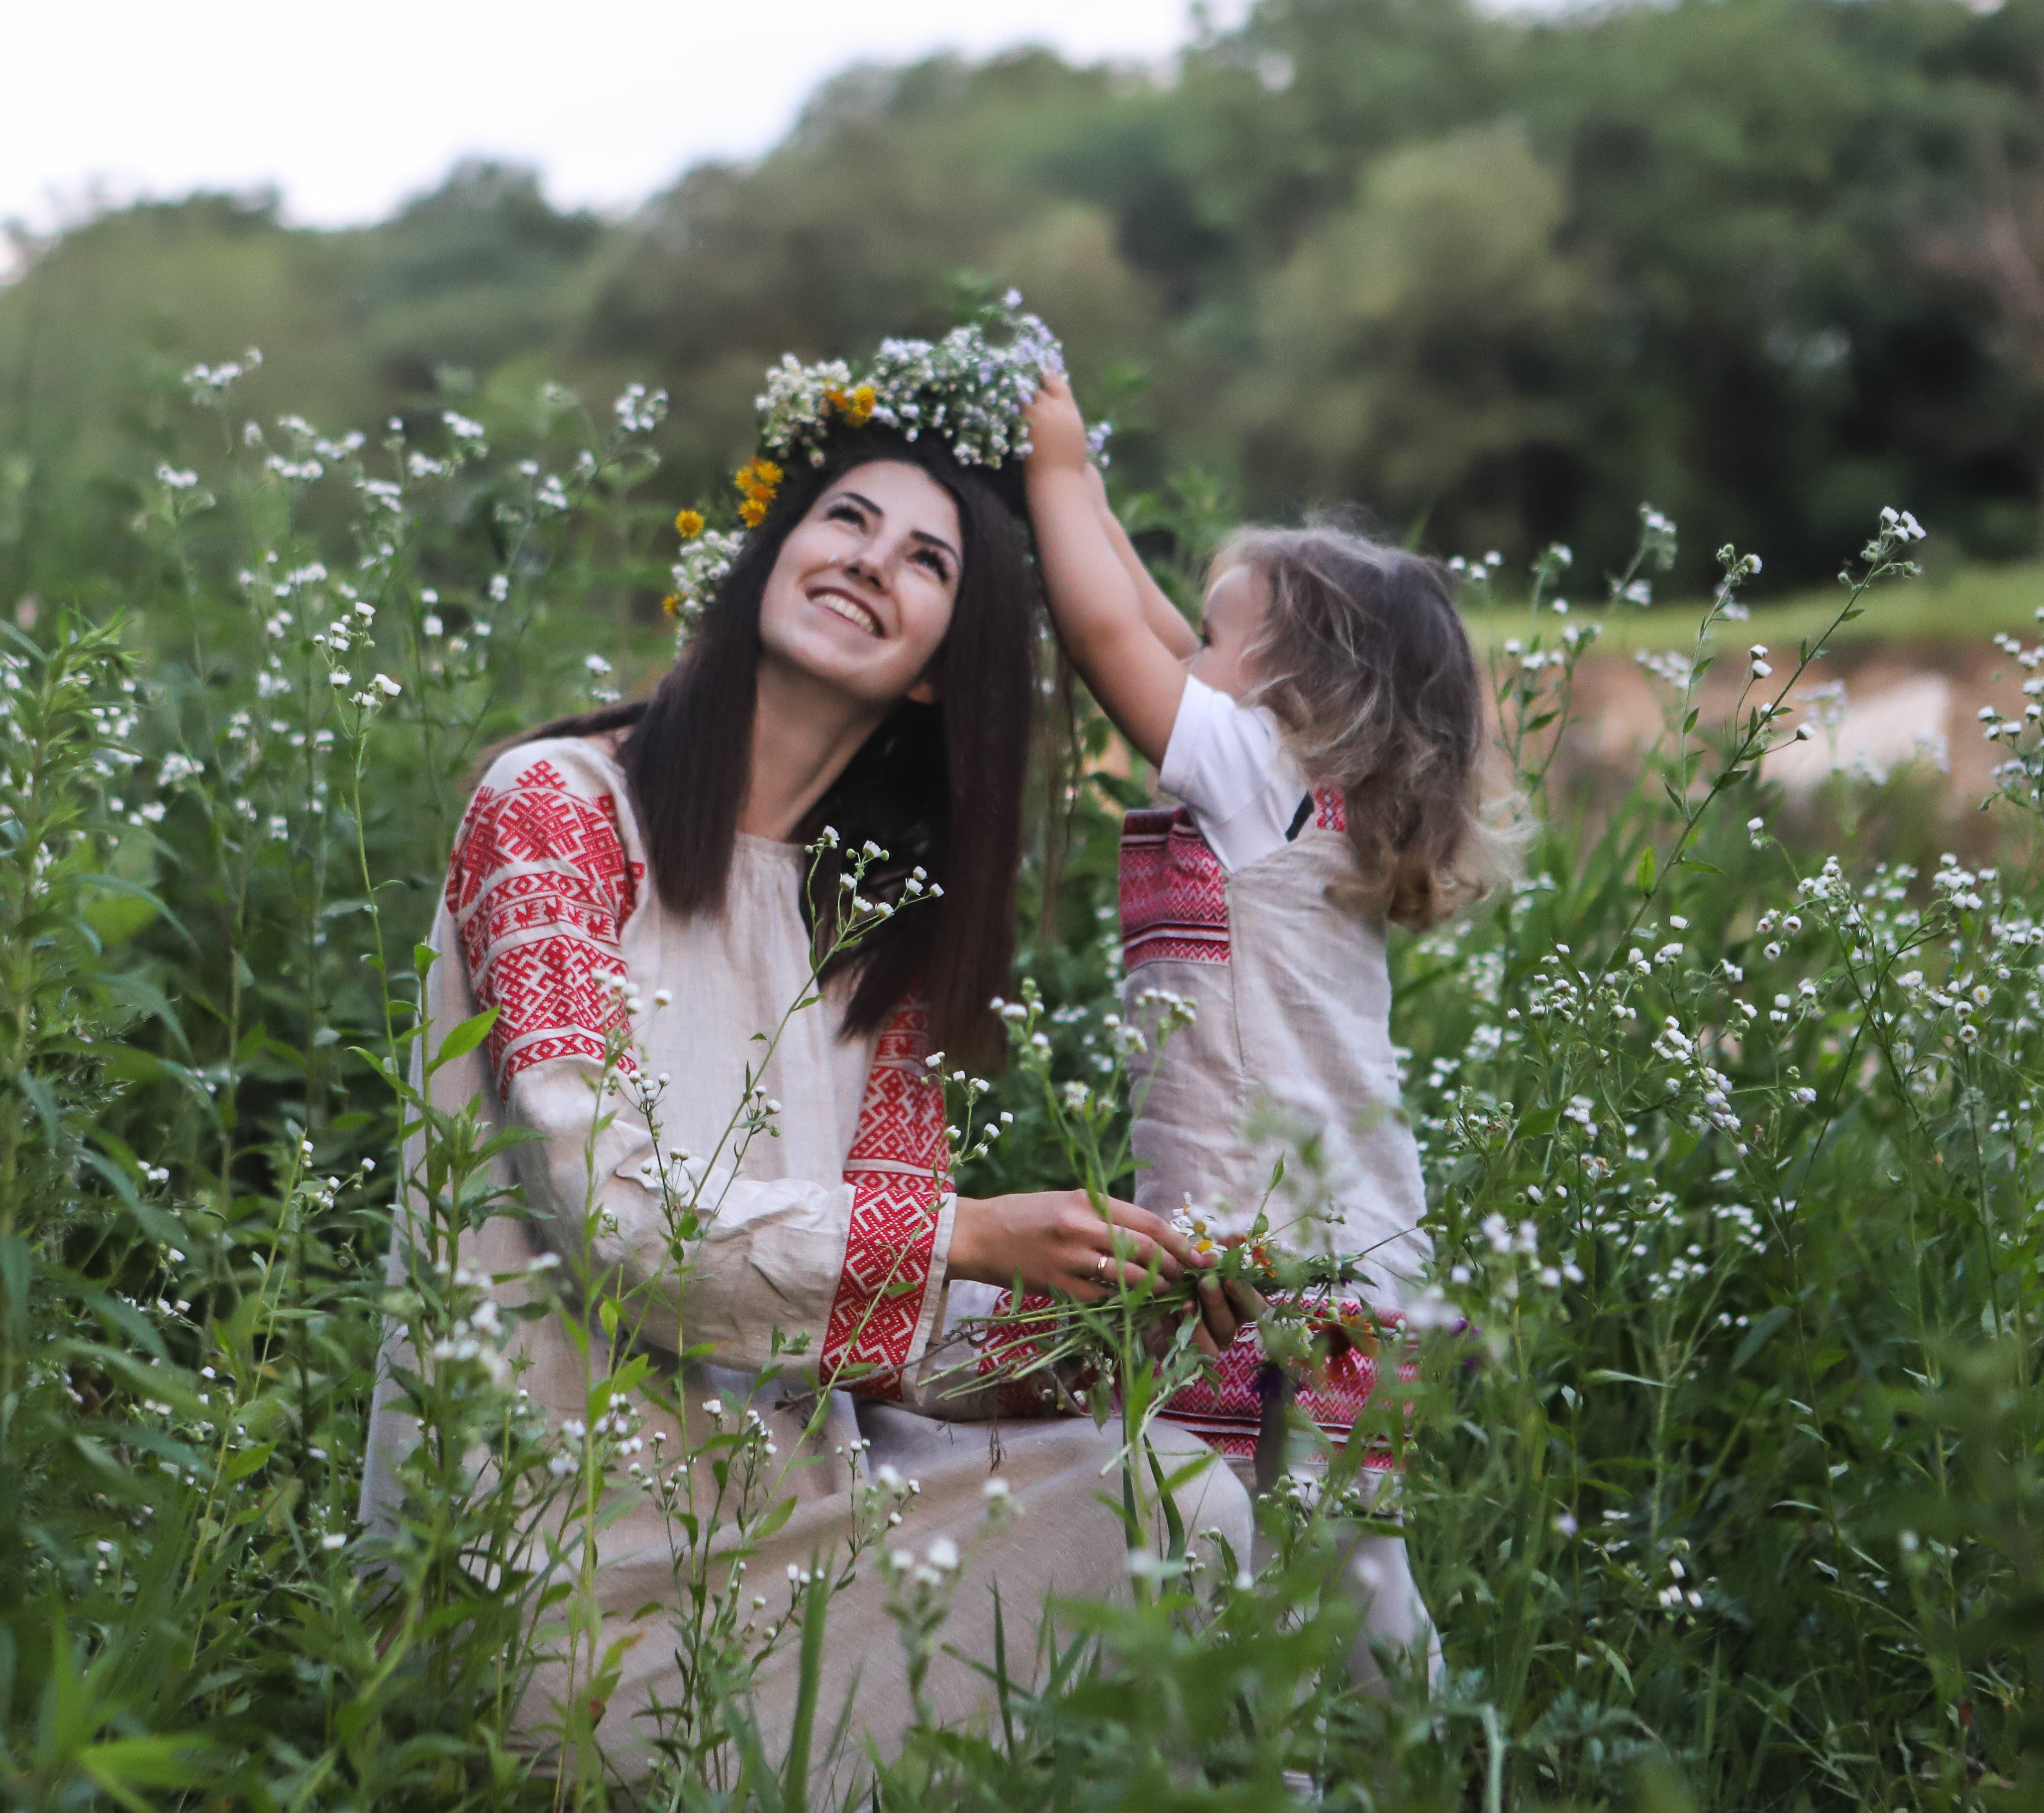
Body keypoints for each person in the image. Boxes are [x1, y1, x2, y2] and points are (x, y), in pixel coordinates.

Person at [360, 320, 1253, 1805]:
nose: (866, 558)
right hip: (571, 1583)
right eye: (844, 516)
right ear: (768, 554)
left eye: (924, 559)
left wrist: (1113, 1313)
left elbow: (886, 1341)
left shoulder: (869, 928)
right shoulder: (558, 811)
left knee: (1180, 1482)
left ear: (932, 673)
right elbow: (622, 1222)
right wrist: (971, 1231)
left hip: (803, 1528)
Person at [1020, 370, 1501, 1692]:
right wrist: (1090, 498)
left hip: (1282, 1263)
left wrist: (1056, 470)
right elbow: (1149, 617)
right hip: (1349, 1245)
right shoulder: (1306, 799)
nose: (1185, 654)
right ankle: (1415, 1757)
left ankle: (1327, 1768)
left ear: (1296, 685)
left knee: (1253, 1560)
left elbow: (1111, 634)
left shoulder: (1249, 777)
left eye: (1215, 640)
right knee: (1340, 1558)